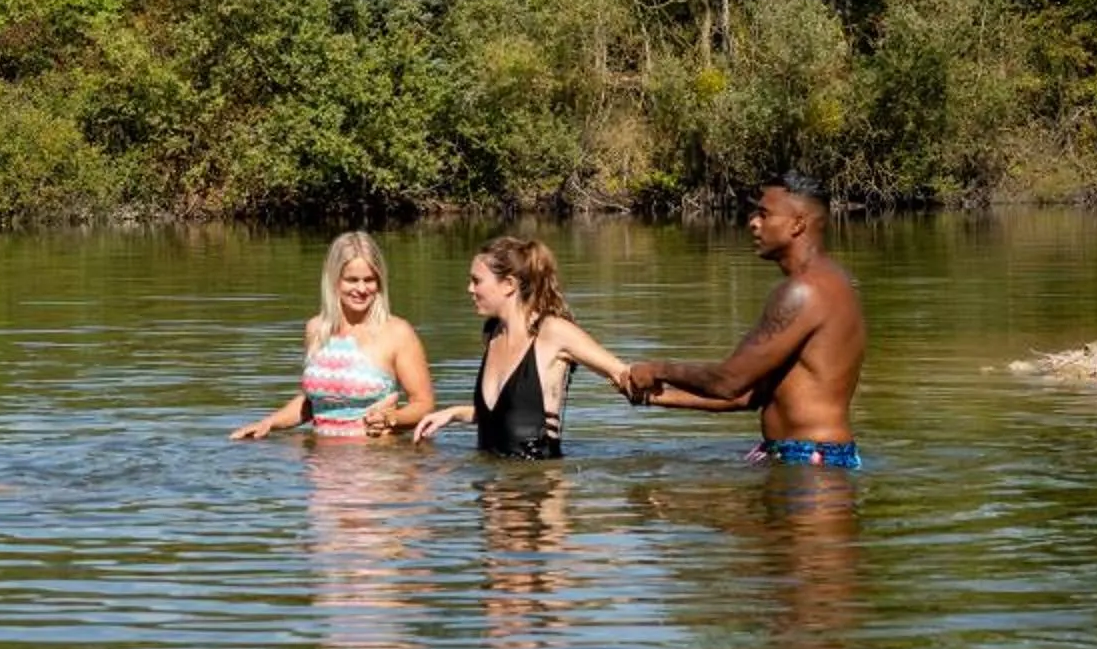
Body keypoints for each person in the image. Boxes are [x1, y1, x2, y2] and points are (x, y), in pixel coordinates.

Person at [619, 175, 867, 468]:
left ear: (798, 224)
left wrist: (657, 369)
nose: (753, 223)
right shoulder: (835, 282)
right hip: (815, 459)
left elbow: (729, 382)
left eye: (764, 214)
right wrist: (654, 397)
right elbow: (747, 395)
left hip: (809, 466)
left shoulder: (803, 291)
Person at [410, 236, 631, 459]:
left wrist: (664, 386)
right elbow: (505, 417)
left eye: (476, 281)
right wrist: (453, 414)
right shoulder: (493, 333)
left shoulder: (552, 332)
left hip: (538, 485)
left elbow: (624, 374)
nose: (470, 289)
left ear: (509, 285)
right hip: (490, 485)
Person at [231, 230, 435, 440]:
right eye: (352, 280)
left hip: (376, 462)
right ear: (334, 280)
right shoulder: (316, 329)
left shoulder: (397, 332)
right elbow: (312, 403)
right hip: (321, 465)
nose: (362, 289)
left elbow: (423, 404)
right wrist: (268, 423)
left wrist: (392, 418)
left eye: (369, 280)